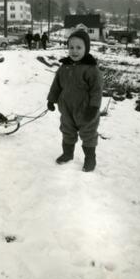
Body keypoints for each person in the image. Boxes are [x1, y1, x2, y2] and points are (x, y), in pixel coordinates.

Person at [47, 30, 103, 172]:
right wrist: (51, 100)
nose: (74, 51)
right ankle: (68, 154)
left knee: (88, 134)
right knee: (67, 131)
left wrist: (94, 107)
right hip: (66, 109)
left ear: (86, 48)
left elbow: (96, 90)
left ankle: (90, 159)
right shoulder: (64, 67)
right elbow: (56, 85)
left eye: (79, 47)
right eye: (71, 47)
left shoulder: (91, 69)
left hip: (86, 110)